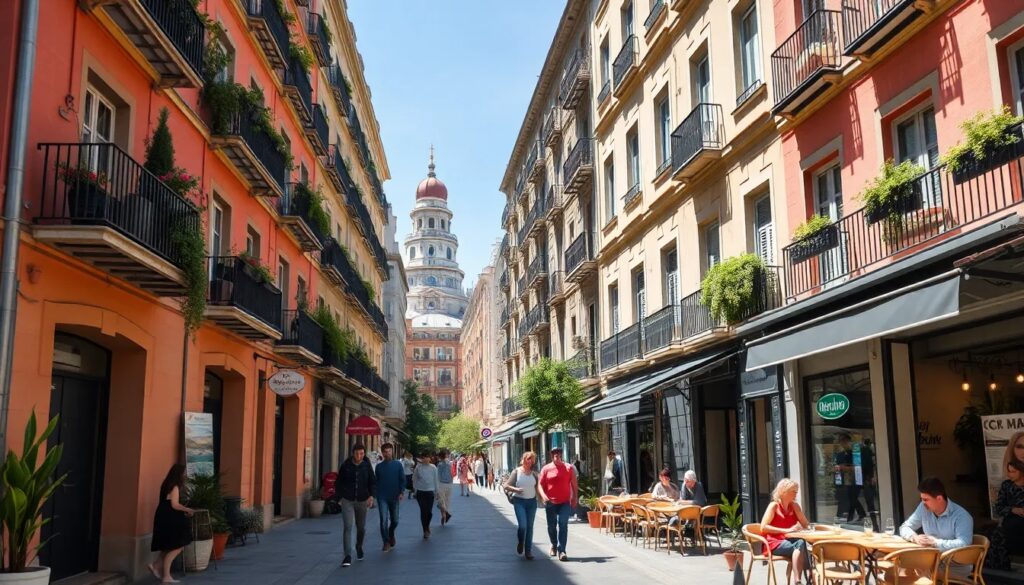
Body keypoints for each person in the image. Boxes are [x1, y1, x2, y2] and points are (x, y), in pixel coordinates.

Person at [148, 464, 195, 583]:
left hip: (164, 516)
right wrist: (188, 510)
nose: (185, 475)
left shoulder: (166, 484)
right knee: (177, 546)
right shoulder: (175, 486)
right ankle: (166, 576)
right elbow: (174, 504)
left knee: (167, 545)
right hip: (170, 518)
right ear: (179, 474)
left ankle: (155, 566)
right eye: (184, 473)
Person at [899, 477, 973, 552]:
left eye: (926, 499)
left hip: (953, 562)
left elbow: (964, 543)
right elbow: (904, 527)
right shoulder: (923, 507)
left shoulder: (962, 516)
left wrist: (936, 543)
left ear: (939, 498)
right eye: (921, 499)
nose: (923, 503)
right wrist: (915, 537)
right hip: (931, 560)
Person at [760, 478, 811, 585]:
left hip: (790, 540)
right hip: (774, 543)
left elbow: (805, 523)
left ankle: (802, 579)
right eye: (794, 491)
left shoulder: (795, 506)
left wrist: (807, 528)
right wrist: (787, 530)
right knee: (800, 546)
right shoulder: (774, 506)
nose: (796, 494)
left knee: (803, 544)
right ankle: (803, 579)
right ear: (784, 491)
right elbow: (763, 527)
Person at [337, 443, 376, 567]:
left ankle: (359, 546)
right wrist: (339, 497)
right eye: (357, 453)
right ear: (353, 453)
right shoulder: (346, 465)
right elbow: (339, 482)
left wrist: (371, 496)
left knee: (361, 527)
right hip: (347, 499)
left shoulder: (366, 465)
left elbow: (372, 482)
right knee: (348, 526)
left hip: (362, 499)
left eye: (362, 454)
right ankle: (347, 555)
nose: (359, 456)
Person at [538, 447, 578, 561]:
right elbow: (540, 485)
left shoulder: (568, 468)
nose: (556, 455)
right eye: (554, 453)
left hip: (564, 502)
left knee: (563, 524)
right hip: (550, 502)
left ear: (561, 454)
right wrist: (544, 496)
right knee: (551, 526)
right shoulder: (546, 468)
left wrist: (575, 497)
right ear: (551, 455)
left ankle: (562, 551)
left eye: (558, 453)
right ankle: (554, 544)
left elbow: (574, 484)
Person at [986, 459, 1024, 570]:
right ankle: (1000, 570)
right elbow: (999, 508)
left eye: (1013, 471)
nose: (1009, 474)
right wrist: (1013, 509)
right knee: (994, 535)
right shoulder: (1006, 486)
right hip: (1010, 524)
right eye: (1008, 471)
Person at [504, 451, 541, 560]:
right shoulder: (517, 472)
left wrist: (542, 499)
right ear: (523, 460)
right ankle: (521, 542)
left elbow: (537, 488)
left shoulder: (534, 473)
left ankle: (528, 551)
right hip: (519, 502)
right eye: (528, 459)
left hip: (532, 503)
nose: (530, 461)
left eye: (532, 459)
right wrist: (516, 489)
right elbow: (506, 485)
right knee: (523, 526)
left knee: (530, 527)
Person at [374, 443, 404, 552]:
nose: (388, 453)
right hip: (382, 496)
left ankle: (391, 532)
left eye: (389, 451)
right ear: (382, 453)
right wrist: (374, 494)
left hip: (394, 495)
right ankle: (386, 542)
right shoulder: (379, 467)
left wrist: (401, 492)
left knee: (395, 520)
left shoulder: (398, 465)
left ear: (392, 452)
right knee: (383, 520)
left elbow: (402, 479)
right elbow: (375, 481)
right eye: (385, 452)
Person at [834, 434, 867, 522]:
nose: (843, 444)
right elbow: (837, 466)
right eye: (842, 442)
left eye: (845, 441)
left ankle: (856, 515)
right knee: (851, 497)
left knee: (853, 497)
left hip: (856, 478)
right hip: (846, 480)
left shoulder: (855, 453)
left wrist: (846, 468)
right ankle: (855, 515)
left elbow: (858, 466)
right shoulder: (840, 454)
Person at [412, 451, 438, 539]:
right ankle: (425, 530)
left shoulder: (433, 467)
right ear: (421, 459)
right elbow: (414, 479)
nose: (426, 459)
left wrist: (437, 492)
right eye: (424, 457)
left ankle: (427, 526)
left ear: (430, 458)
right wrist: (415, 490)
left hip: (430, 492)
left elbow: (436, 480)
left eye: (428, 457)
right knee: (423, 511)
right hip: (420, 492)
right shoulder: (418, 468)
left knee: (429, 512)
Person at [436, 449, 454, 526]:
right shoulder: (450, 463)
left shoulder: (439, 465)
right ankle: (445, 514)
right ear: (446, 455)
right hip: (449, 484)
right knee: (447, 501)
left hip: (441, 484)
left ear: (440, 456)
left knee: (441, 501)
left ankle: (444, 514)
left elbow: (437, 475)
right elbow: (452, 473)